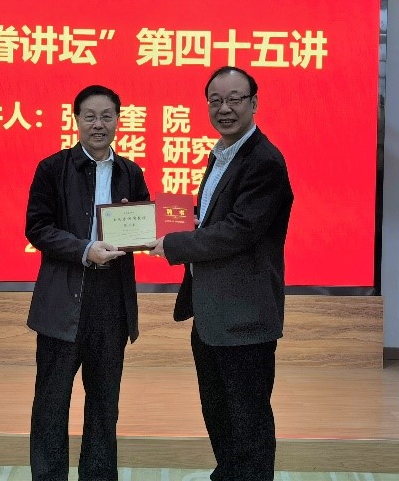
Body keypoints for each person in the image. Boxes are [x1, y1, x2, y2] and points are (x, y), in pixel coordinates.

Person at [149, 66, 293, 481]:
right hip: (214, 316)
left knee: (248, 424)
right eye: (215, 101)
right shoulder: (222, 155)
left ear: (254, 102)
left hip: (245, 319)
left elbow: (239, 231)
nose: (224, 109)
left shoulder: (264, 161)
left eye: (234, 99)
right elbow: (212, 220)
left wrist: (174, 244)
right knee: (220, 418)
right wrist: (153, 220)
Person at [25, 84, 150, 481]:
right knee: (51, 404)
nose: (99, 124)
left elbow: (145, 229)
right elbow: (37, 228)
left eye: (107, 116)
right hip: (63, 300)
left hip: (111, 303)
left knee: (104, 406)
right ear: (76, 119)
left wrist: (151, 229)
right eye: (90, 116)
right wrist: (84, 249)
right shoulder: (52, 168)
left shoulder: (131, 173)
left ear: (118, 120)